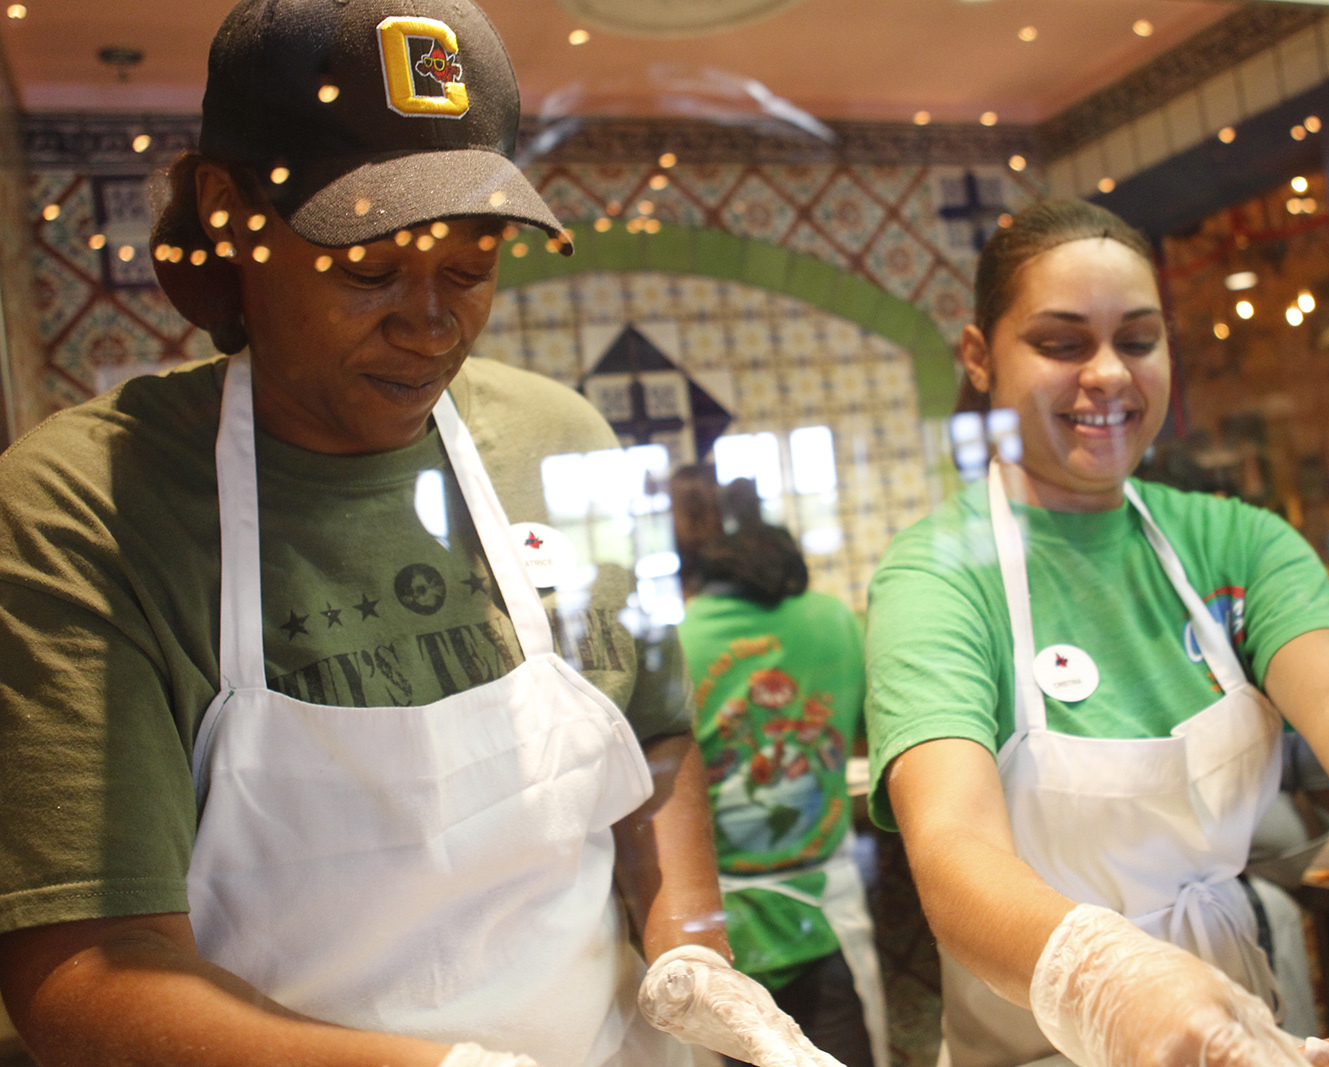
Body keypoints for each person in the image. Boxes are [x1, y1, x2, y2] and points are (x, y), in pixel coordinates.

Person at [0, 2, 845, 1066]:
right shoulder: (91, 504)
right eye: (370, 268)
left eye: (472, 264)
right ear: (228, 210)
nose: (431, 322)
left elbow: (656, 736)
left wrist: (691, 948)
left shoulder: (556, 438)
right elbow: (88, 973)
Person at [864, 199, 1329, 1067]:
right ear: (981, 357)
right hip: (1039, 1044)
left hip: (1245, 1027)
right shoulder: (940, 575)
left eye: (1137, 340)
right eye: (1063, 343)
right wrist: (1103, 977)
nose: (1108, 374)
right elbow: (954, 846)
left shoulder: (1235, 541)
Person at [672, 473, 888, 1067]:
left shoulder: (678, 644)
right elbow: (872, 726)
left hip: (717, 925)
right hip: (826, 905)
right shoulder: (836, 621)